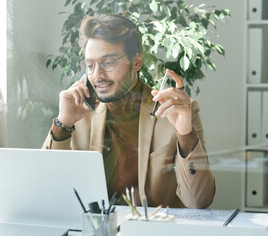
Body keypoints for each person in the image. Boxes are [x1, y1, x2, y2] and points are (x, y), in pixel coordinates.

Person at [42, 14, 215, 208]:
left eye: (108, 63)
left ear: (136, 63)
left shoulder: (175, 112)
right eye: (90, 65)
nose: (97, 75)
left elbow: (199, 202)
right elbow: (44, 188)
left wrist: (185, 132)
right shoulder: (79, 113)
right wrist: (62, 123)